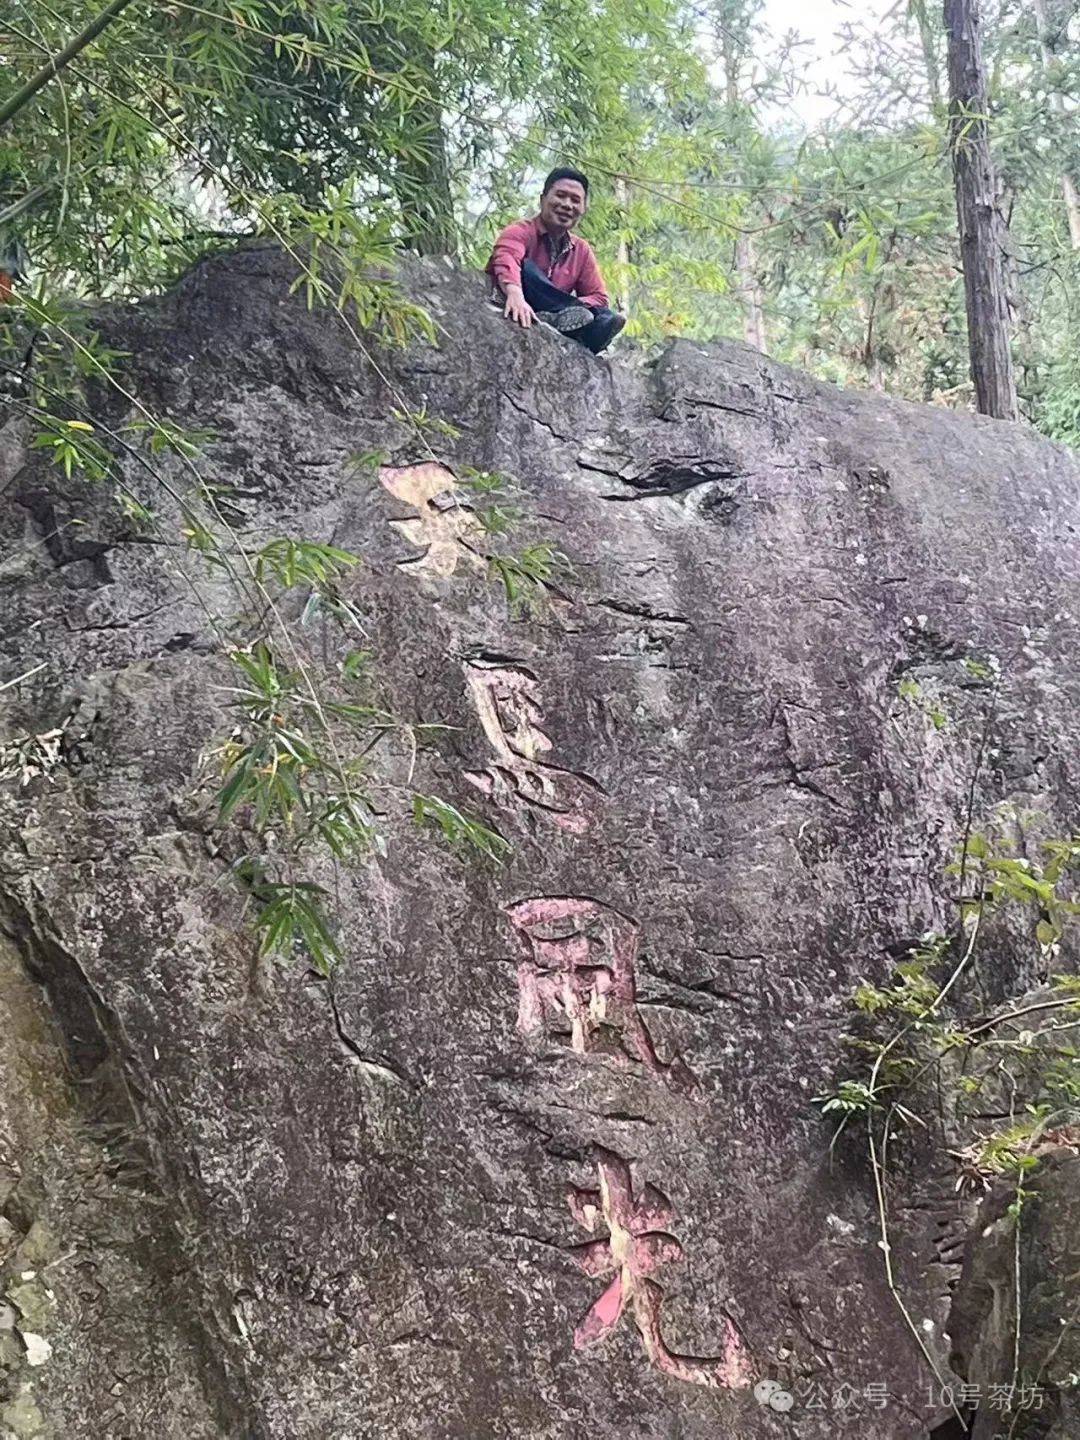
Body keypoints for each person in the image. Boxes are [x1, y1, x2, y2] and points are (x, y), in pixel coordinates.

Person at [486, 166, 626, 355]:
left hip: (558, 315)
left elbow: (598, 297)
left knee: (606, 317)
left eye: (575, 200)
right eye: (560, 195)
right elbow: (506, 258)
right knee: (525, 267)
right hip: (520, 299)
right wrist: (514, 293)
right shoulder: (520, 231)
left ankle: (558, 320)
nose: (567, 205)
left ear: (583, 209)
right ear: (542, 199)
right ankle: (561, 316)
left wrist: (578, 307)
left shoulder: (581, 250)